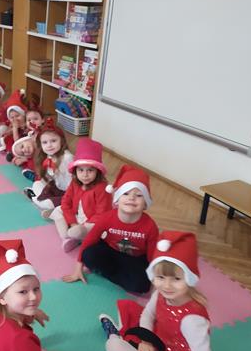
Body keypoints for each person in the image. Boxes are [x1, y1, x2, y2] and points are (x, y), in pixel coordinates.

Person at [98, 231, 215, 351]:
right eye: (160, 277)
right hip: (159, 341)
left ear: (190, 278)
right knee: (130, 310)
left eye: (176, 279)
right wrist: (146, 340)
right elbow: (147, 315)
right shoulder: (160, 294)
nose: (167, 285)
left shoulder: (192, 321)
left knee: (113, 345)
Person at [62, 165, 159, 294]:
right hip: (111, 250)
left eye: (139, 195)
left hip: (136, 258)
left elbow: (153, 256)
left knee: (142, 286)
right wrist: (77, 269)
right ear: (117, 200)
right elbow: (89, 241)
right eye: (125, 193)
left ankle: (114, 273)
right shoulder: (107, 217)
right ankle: (117, 274)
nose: (131, 198)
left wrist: (156, 282)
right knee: (88, 255)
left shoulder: (150, 226)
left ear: (145, 203)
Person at [50, 138, 111, 252]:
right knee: (57, 211)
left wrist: (84, 224)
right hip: (76, 216)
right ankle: (66, 237)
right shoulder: (74, 182)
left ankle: (78, 236)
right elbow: (66, 202)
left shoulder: (102, 187)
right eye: (81, 170)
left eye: (90, 170)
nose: (85, 175)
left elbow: (102, 213)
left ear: (97, 171)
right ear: (75, 171)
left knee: (94, 229)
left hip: (90, 220)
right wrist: (72, 222)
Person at [23, 119, 74, 217]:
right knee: (37, 184)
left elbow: (72, 181)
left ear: (62, 141)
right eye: (45, 142)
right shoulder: (48, 157)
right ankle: (45, 202)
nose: (49, 145)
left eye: (53, 141)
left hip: (68, 193)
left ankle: (36, 199)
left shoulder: (67, 158)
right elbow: (51, 178)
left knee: (48, 204)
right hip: (56, 187)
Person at [0, 89, 28, 157]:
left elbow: (17, 141)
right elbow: (8, 133)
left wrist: (15, 129)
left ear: (23, 115)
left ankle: (15, 153)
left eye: (17, 116)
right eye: (12, 117)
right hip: (16, 140)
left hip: (23, 142)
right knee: (7, 139)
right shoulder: (13, 124)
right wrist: (9, 132)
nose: (15, 119)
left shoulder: (27, 124)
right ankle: (10, 151)